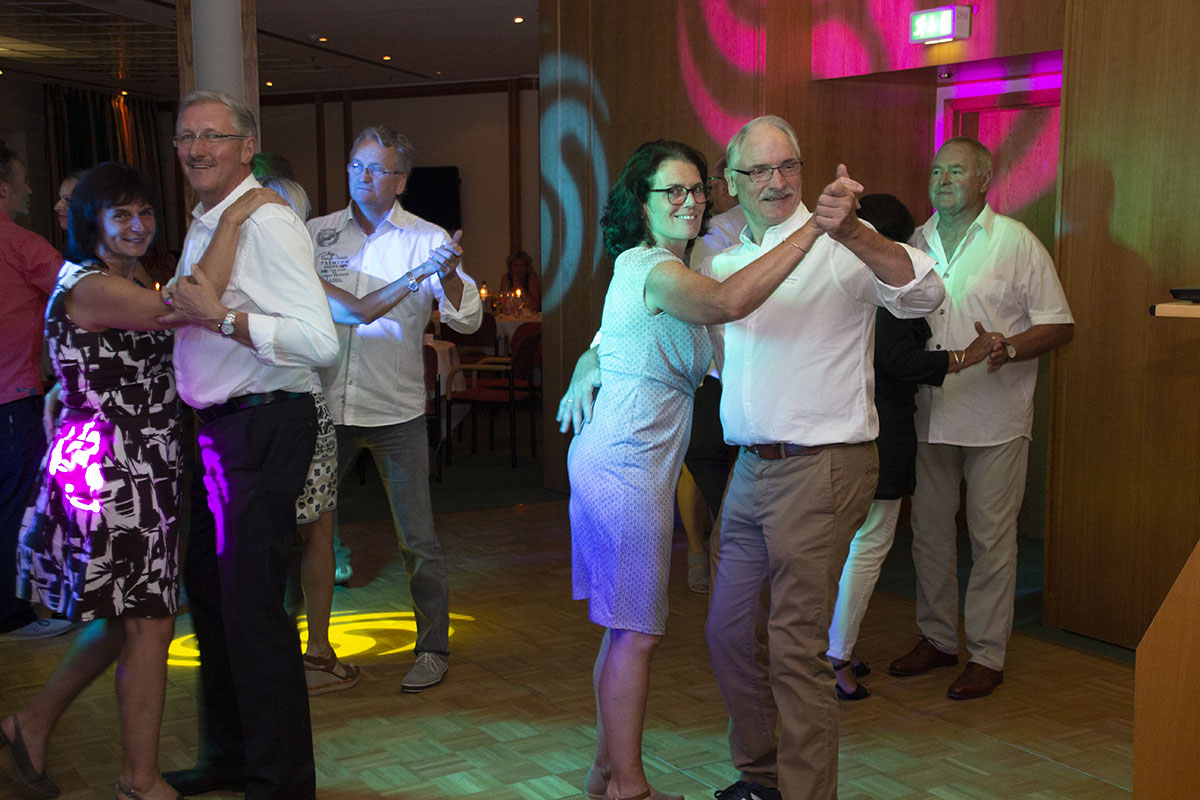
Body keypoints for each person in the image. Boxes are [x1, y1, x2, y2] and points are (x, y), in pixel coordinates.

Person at [561, 116, 945, 800]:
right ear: (732, 184)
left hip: (822, 464)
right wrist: (590, 358)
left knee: (794, 646)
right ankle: (761, 776)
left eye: (787, 166)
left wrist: (850, 231)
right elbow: (665, 312)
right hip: (737, 469)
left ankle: (797, 791)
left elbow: (925, 292)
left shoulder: (841, 245)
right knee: (727, 632)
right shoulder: (717, 262)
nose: (776, 181)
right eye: (758, 170)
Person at [561, 137, 830, 800]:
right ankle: (630, 787)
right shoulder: (652, 267)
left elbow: (621, 338)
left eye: (695, 189)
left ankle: (606, 774)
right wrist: (814, 231)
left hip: (634, 461)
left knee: (626, 632)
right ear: (642, 204)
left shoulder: (677, 265)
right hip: (623, 465)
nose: (688, 201)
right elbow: (726, 305)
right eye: (671, 191)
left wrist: (589, 358)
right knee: (637, 634)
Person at [181, 173, 461, 696]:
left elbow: (356, 315)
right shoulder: (279, 262)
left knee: (373, 537)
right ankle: (291, 654)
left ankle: (385, 649)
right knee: (291, 539)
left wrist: (219, 316)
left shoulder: (301, 270)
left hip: (325, 410)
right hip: (296, 413)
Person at [159, 90, 338, 800]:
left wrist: (225, 320)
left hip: (263, 425)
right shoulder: (214, 218)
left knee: (254, 610)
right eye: (185, 137)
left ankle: (281, 784)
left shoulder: (266, 221)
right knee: (212, 600)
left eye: (213, 136)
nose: (197, 149)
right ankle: (231, 757)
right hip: (220, 431)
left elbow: (321, 342)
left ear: (245, 147)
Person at [5, 162, 183, 800]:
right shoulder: (92, 284)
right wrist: (237, 221)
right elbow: (180, 313)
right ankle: (139, 780)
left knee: (122, 619)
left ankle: (31, 723)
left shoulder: (117, 279)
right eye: (121, 215)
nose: (138, 225)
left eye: (145, 212)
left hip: (137, 464)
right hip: (118, 471)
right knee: (149, 622)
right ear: (92, 221)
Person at [888, 137, 1074, 700]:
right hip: (929, 414)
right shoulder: (912, 244)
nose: (942, 180)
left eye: (956, 171)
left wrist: (1009, 348)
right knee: (929, 535)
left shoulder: (1015, 242)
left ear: (985, 180)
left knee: (992, 540)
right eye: (936, 171)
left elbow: (1059, 324)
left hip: (996, 417)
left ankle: (988, 655)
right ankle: (938, 639)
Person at [307, 124, 481, 693]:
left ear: (401, 180)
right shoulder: (316, 233)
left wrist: (449, 277)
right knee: (307, 533)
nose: (363, 177)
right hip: (325, 407)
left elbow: (467, 320)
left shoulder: (427, 239)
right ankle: (309, 649)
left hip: (396, 411)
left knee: (418, 541)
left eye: (377, 169)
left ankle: (433, 648)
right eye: (356, 165)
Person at [826, 194, 996, 700]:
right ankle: (835, 658)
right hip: (883, 429)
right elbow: (897, 360)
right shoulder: (886, 283)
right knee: (867, 548)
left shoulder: (835, 277)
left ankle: (829, 647)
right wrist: (963, 357)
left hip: (841, 427)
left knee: (841, 549)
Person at [0, 144, 71, 644]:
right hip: (12, 397)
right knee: (13, 505)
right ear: (3, 187)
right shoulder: (20, 244)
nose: (30, 189)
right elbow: (79, 294)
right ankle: (11, 614)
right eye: (22, 180)